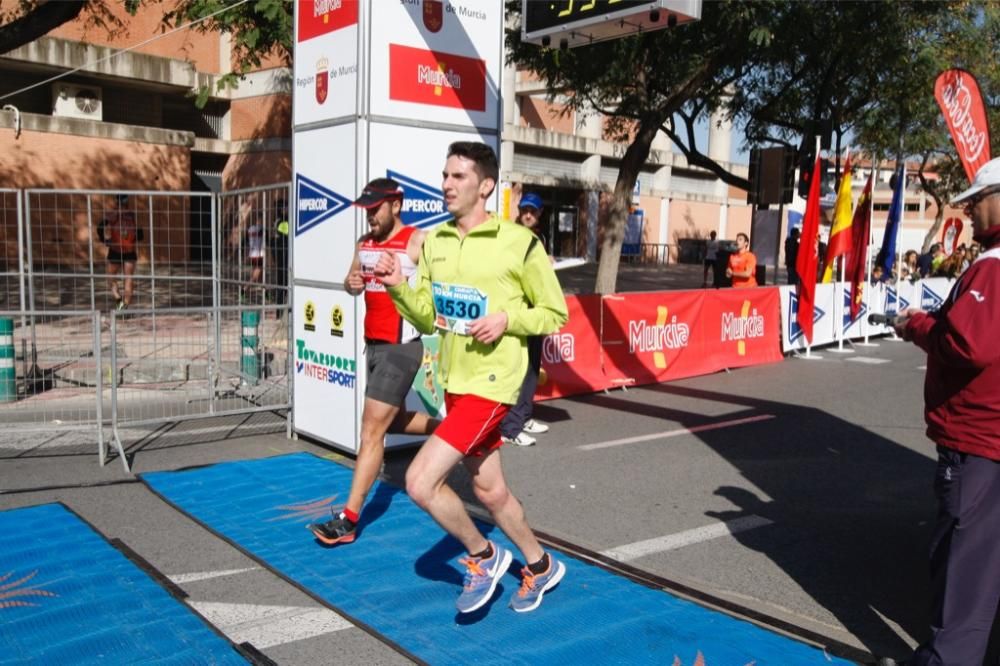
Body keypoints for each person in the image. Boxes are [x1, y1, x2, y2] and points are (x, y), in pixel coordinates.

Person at [375, 142, 569, 614]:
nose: (446, 184)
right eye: (445, 175)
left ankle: (484, 557)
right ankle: (541, 565)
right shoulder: (436, 243)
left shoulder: (519, 243)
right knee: (489, 491)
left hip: (494, 385)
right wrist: (399, 285)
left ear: (485, 186)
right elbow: (426, 318)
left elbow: (554, 313)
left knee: (420, 481)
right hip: (455, 385)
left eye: (458, 177)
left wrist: (507, 319)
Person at [892, 156, 1000, 666]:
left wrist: (917, 325)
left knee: (961, 569)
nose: (971, 214)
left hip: (977, 440)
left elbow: (970, 344)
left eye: (976, 202)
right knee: (980, 569)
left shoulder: (992, 267)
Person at [308, 178, 439, 546]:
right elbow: (351, 282)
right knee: (392, 421)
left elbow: (435, 290)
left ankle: (349, 519)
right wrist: (350, 283)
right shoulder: (364, 244)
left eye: (375, 208)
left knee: (370, 432)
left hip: (402, 348)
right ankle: (450, 429)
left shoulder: (418, 241)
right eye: (366, 209)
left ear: (395, 205)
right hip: (374, 347)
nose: (369, 216)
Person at [499, 192, 551, 448]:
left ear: (539, 214)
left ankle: (524, 416)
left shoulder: (539, 237)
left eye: (533, 211)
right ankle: (510, 427)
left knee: (532, 369)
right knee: (519, 371)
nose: (528, 214)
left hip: (535, 310)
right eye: (524, 210)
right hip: (517, 313)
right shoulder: (510, 235)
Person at [98, 193, 141, 311]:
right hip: (130, 250)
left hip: (115, 249)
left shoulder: (111, 215)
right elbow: (140, 234)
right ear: (127, 203)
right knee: (129, 278)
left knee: (111, 277)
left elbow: (100, 227)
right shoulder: (132, 215)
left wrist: (105, 240)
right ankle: (125, 307)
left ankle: (119, 301)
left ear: (116, 202)